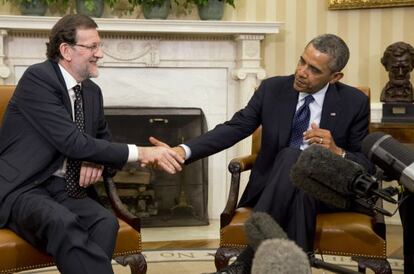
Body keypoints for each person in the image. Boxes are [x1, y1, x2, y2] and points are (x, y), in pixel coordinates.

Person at [151, 33, 373, 274]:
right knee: (293, 163)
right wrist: (183, 151)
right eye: (301, 61)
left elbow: (366, 165)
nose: (301, 72)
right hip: (275, 187)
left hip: (328, 192)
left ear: (335, 76)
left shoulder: (354, 102)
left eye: (314, 70)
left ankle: (245, 263)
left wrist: (338, 152)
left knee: (297, 167)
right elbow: (235, 127)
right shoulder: (273, 89)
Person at [0, 15, 183, 274]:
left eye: (100, 45)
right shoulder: (38, 79)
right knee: (61, 222)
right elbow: (73, 142)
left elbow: (100, 141)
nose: (101, 54)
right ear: (66, 50)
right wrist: (143, 152)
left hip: (63, 188)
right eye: (93, 47)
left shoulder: (91, 92)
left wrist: (95, 158)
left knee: (105, 222)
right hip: (24, 187)